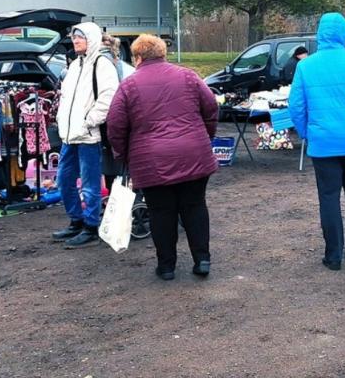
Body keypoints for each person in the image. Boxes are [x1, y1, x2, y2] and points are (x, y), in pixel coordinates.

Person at [107, 35, 219, 280]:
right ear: (163, 54)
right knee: (195, 206)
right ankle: (202, 259)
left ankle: (166, 266)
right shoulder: (188, 76)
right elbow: (211, 107)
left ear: (137, 58)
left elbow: (115, 126)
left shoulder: (128, 85)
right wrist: (204, 137)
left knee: (161, 212)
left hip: (151, 161)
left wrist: (125, 155)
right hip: (193, 153)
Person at [289, 13, 345, 272]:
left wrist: (307, 132)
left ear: (320, 34)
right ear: (344, 34)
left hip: (322, 142)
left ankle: (333, 255)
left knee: (328, 197)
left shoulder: (306, 66)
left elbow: (296, 106)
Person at [51, 22, 120, 248]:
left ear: (91, 39)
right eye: (74, 38)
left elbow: (109, 98)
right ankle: (76, 221)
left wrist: (88, 121)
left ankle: (91, 226)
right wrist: (64, 121)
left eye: (80, 38)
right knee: (63, 180)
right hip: (69, 136)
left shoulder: (102, 64)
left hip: (89, 137)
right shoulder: (74, 66)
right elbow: (66, 99)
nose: (75, 41)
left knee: (90, 185)